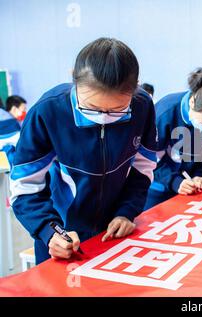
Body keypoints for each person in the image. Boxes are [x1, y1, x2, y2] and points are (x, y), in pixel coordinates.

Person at [10, 38, 158, 264]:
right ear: (74, 79)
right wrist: (50, 231)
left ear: (135, 87)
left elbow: (143, 166)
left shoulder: (142, 106)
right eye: (92, 108)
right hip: (62, 236)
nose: (104, 116)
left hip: (115, 234)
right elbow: (25, 186)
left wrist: (126, 212)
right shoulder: (49, 111)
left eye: (117, 110)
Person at [144, 66, 202, 209]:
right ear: (193, 102)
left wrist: (201, 175)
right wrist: (174, 181)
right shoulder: (166, 113)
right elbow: (148, 160)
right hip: (159, 187)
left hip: (191, 187)